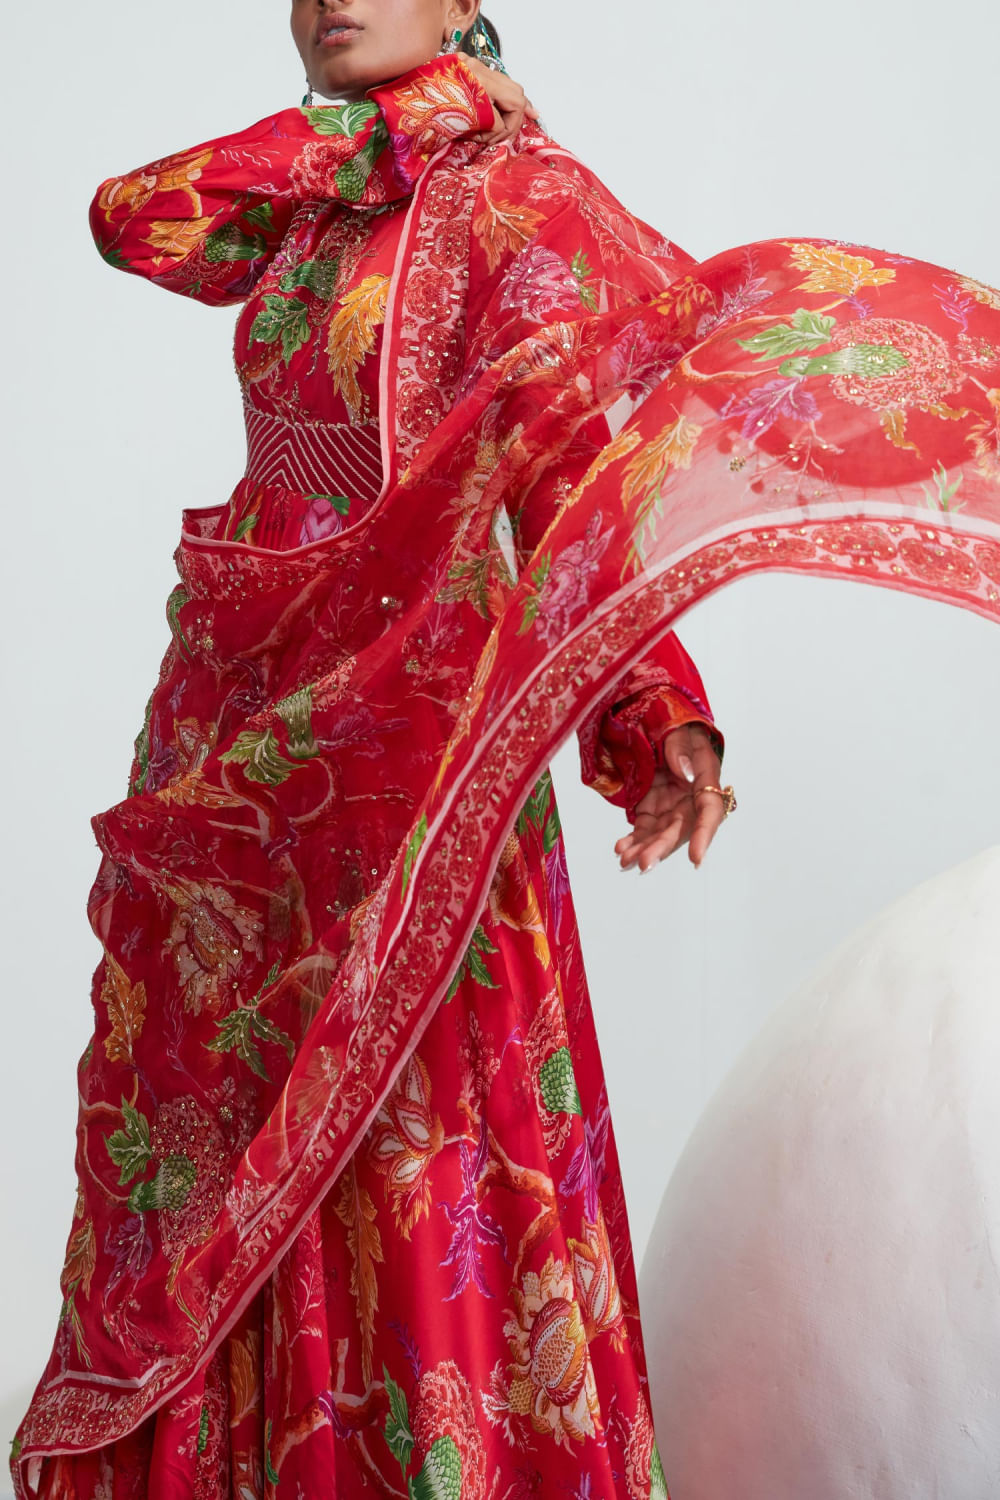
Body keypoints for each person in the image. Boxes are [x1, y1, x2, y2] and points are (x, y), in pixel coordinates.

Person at [11, 3, 1000, 1498]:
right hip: (231, 754)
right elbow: (133, 219)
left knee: (403, 1140)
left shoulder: (513, 200)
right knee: (206, 1160)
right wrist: (366, 138)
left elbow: (565, 466)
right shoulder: (316, 198)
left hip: (410, 759)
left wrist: (653, 712)